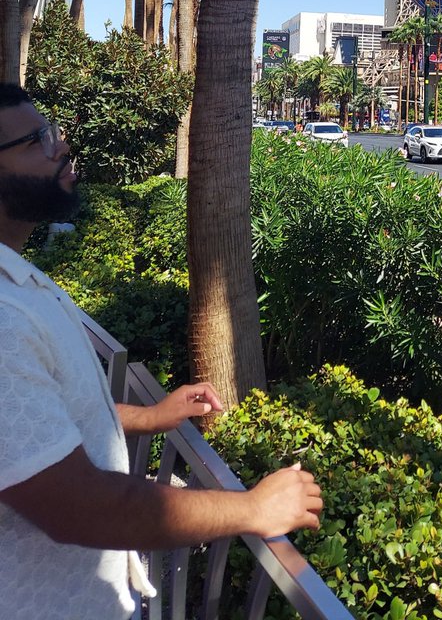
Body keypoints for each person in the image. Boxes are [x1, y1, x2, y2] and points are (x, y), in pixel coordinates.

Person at [0, 83, 323, 619]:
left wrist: (147, 417)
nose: (62, 147)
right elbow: (76, 507)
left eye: (52, 131)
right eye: (38, 140)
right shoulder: (5, 317)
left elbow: (36, 423)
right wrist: (251, 509)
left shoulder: (15, 279)